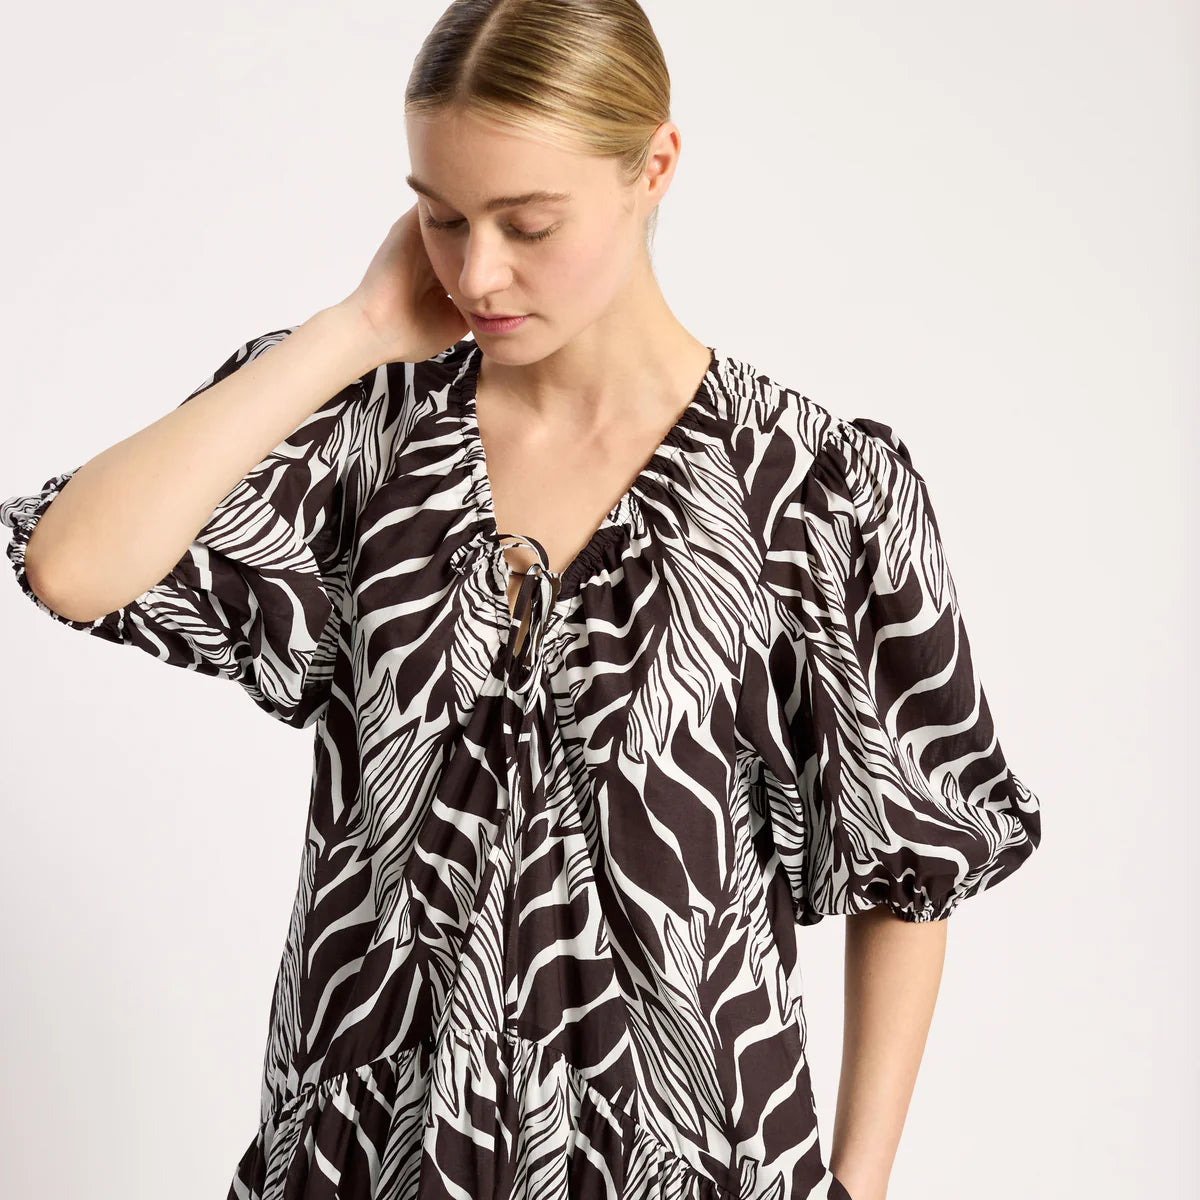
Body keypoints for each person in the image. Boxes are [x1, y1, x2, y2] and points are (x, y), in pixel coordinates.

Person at [0, 2, 1042, 1198]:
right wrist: (352, 331)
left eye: (528, 224)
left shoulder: (814, 490)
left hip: (689, 1160)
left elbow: (908, 861)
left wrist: (858, 1185)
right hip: (367, 1158)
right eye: (442, 217)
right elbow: (71, 567)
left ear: (655, 166)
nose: (478, 272)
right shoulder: (367, 431)